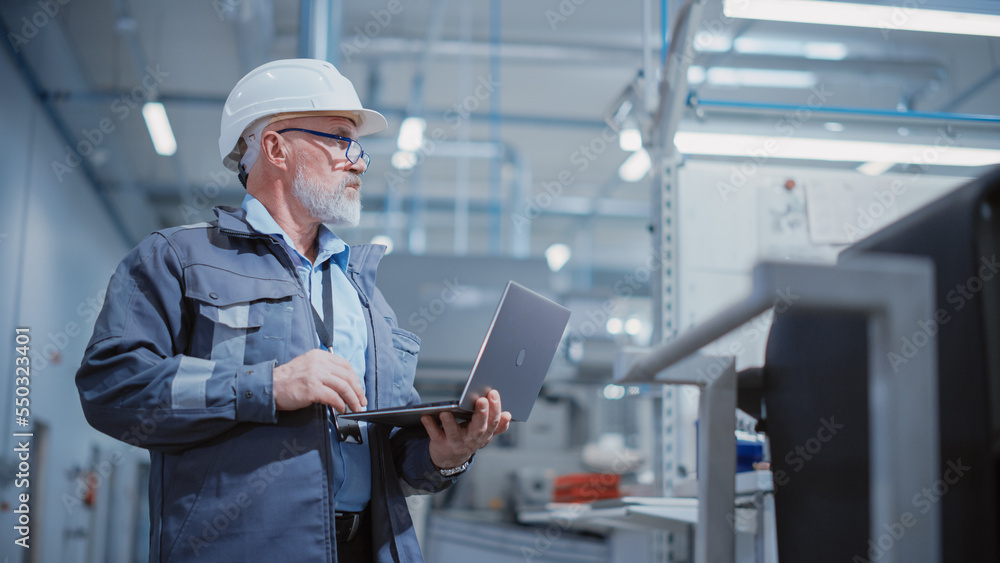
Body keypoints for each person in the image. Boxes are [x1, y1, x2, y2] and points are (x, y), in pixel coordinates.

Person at [75, 58, 511, 562]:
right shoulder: (179, 259)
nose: (359, 161)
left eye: (358, 146)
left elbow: (391, 454)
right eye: (339, 139)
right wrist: (269, 386)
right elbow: (113, 389)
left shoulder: (364, 296)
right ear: (276, 147)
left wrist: (445, 454)